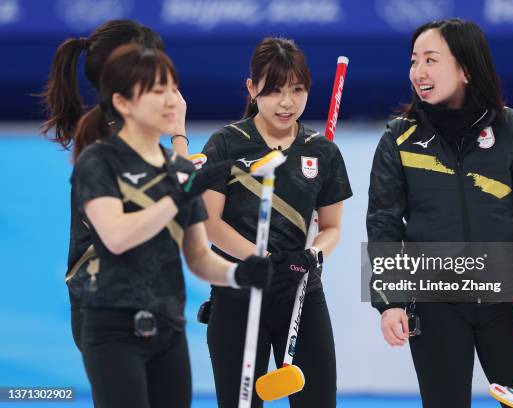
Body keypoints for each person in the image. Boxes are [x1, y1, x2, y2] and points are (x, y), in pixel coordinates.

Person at [70, 44, 272, 408]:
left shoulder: (179, 169)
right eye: (155, 90)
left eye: (171, 88)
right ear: (123, 102)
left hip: (169, 329)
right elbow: (116, 236)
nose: (169, 100)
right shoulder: (98, 161)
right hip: (113, 328)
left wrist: (240, 274)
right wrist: (179, 195)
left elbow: (197, 256)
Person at [367, 19, 513, 407]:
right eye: (414, 61)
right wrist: (390, 301)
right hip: (436, 305)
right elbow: (383, 223)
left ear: (466, 69)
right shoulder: (398, 139)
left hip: (506, 302)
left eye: (431, 60)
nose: (418, 72)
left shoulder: (510, 129)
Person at [200, 37, 352, 407]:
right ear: (252, 89)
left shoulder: (323, 151)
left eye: (297, 90)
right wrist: (261, 257)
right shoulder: (225, 144)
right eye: (275, 91)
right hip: (239, 293)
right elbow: (210, 223)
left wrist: (314, 253)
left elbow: (331, 227)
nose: (287, 102)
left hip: (301, 294)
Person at [39, 19, 190, 350]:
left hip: (152, 303)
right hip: (106, 309)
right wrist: (179, 132)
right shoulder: (103, 142)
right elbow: (172, 201)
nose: (166, 87)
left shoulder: (142, 140)